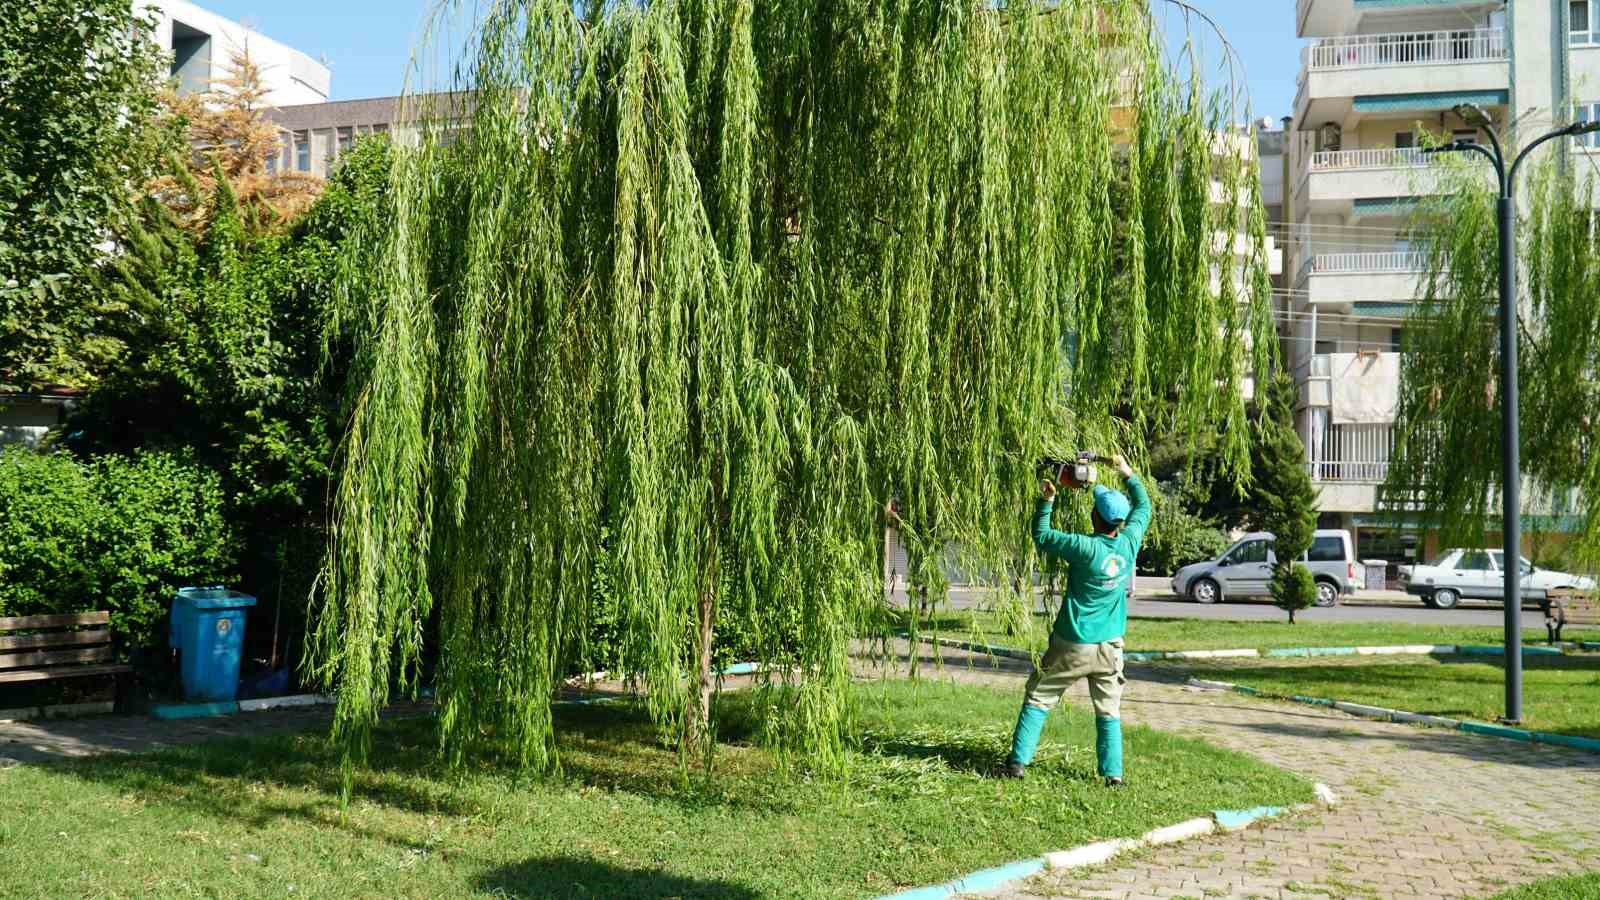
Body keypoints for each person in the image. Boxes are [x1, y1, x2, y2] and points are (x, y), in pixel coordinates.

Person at [994, 453, 1151, 786]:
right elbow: (1144, 507)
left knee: (1038, 697)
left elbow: (1043, 535)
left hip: (1073, 642)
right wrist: (1127, 473)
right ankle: (1113, 775)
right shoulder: (1128, 543)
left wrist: (1047, 500)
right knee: (1109, 711)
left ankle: (1016, 765)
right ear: (1119, 523)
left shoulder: (1083, 547)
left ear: (1095, 517)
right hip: (1110, 646)